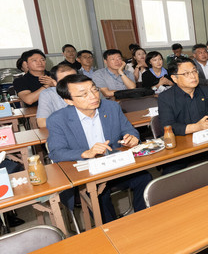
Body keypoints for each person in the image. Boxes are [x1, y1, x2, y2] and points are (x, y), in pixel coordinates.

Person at [46, 73, 152, 223]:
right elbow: (56, 153)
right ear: (69, 100)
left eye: (94, 90)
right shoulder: (57, 120)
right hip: (86, 173)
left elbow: (129, 130)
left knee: (144, 178)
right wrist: (86, 153)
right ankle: (111, 230)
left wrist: (132, 138)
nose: (93, 96)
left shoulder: (111, 107)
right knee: (98, 193)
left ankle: (143, 220)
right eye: (84, 94)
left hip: (114, 165)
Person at [158, 58, 208, 175]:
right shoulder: (165, 98)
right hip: (182, 148)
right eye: (186, 73)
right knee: (170, 171)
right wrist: (197, 127)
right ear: (174, 78)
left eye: (194, 71)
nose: (193, 76)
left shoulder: (206, 91)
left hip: (207, 143)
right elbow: (168, 126)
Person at [36, 64, 77, 128]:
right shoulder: (48, 94)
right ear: (55, 82)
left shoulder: (88, 90)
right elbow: (42, 123)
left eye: (74, 79)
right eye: (65, 81)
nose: (71, 83)